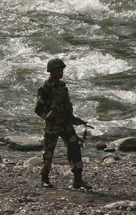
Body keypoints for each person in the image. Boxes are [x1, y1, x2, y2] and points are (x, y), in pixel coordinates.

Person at [34, 58, 92, 190]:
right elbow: (38, 109)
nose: (61, 73)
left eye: (62, 70)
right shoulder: (45, 88)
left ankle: (78, 179)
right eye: (58, 70)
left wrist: (73, 119)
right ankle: (45, 178)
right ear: (51, 71)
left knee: (74, 149)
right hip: (52, 125)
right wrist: (49, 119)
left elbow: (66, 106)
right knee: (49, 152)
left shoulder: (62, 86)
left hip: (65, 123)